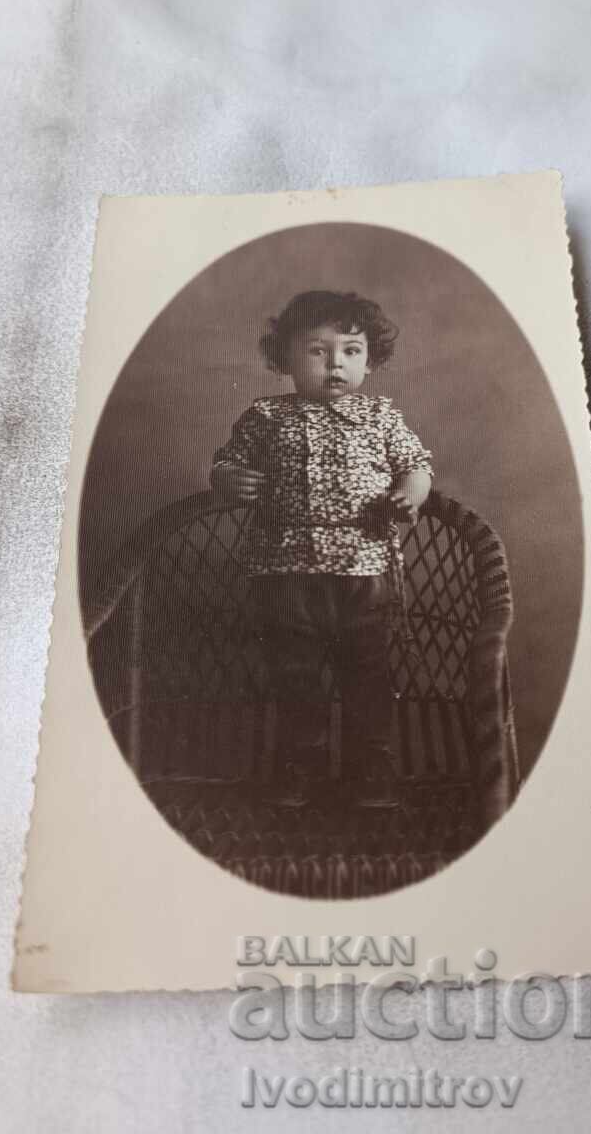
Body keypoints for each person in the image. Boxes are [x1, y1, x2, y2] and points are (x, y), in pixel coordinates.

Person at [210, 291, 432, 804]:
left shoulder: (381, 417)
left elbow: (417, 465)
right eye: (317, 351)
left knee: (368, 676)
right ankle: (300, 769)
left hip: (364, 571)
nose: (335, 363)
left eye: (351, 351)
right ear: (284, 358)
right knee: (296, 675)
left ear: (369, 361)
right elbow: (225, 463)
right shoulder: (266, 416)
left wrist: (409, 494)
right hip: (286, 572)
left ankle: (371, 770)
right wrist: (229, 481)